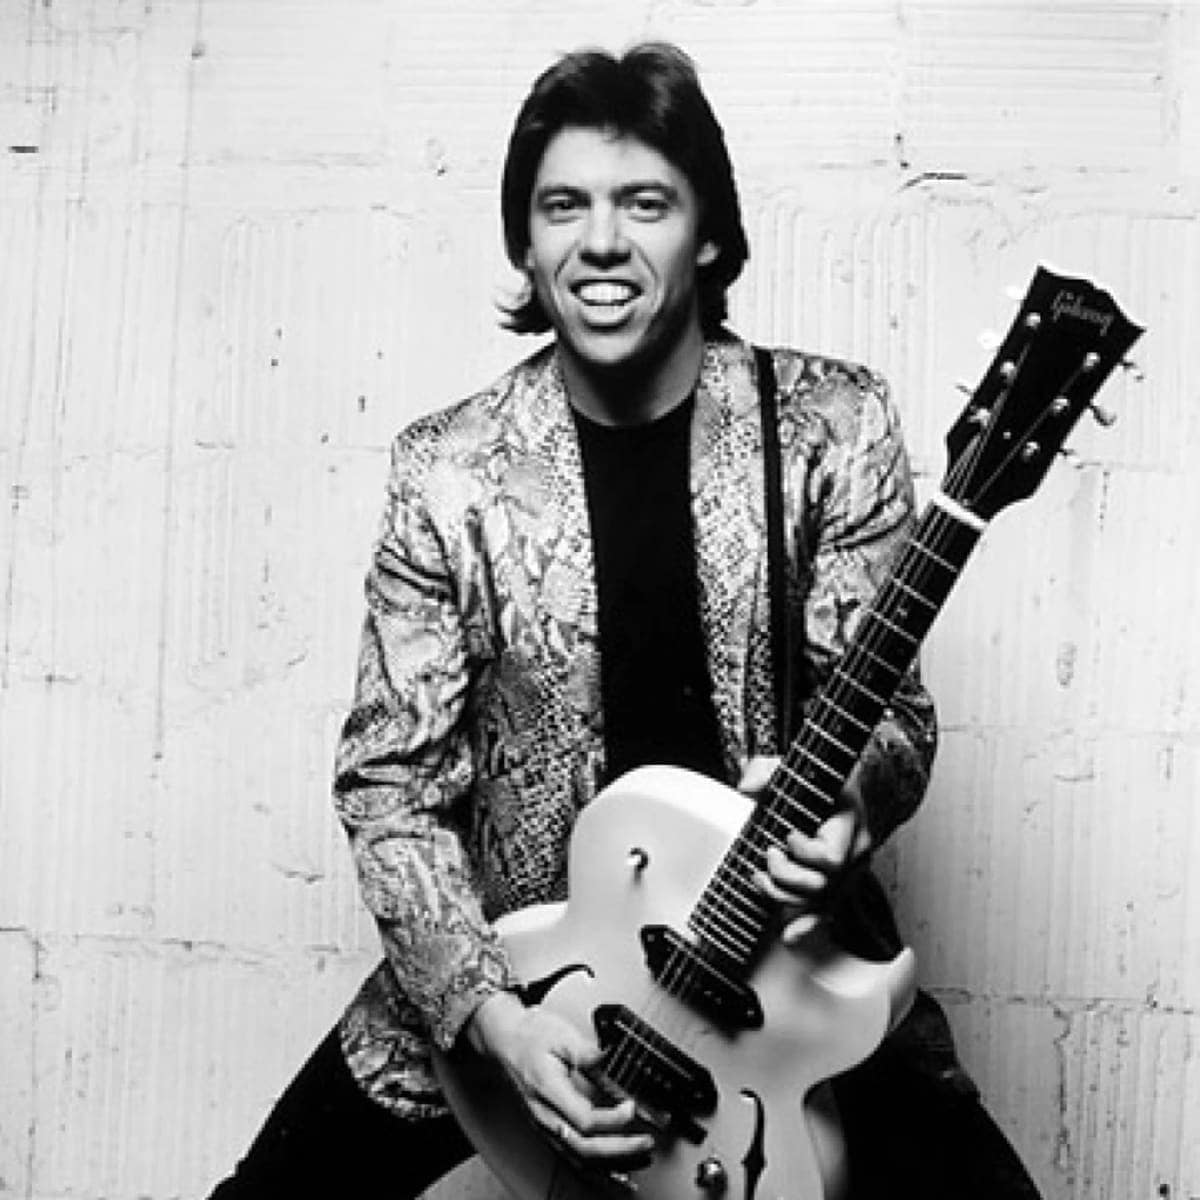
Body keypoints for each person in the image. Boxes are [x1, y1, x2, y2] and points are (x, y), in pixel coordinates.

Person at [208, 41, 1043, 1200]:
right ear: (527, 241)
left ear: (706, 234)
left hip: (776, 980)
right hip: (524, 981)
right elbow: (391, 788)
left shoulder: (830, 426)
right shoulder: (446, 472)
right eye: (565, 206)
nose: (600, 241)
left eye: (644, 203)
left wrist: (850, 803)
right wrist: (495, 1021)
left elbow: (891, 717)